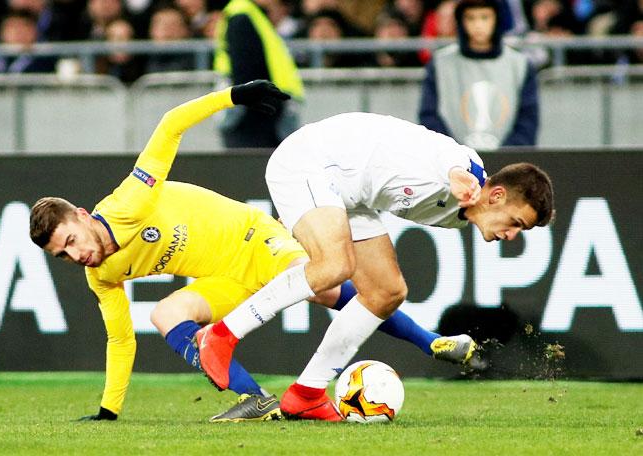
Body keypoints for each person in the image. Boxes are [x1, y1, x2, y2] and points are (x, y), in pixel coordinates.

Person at [29, 80, 478, 423]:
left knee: (325, 285)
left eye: (71, 240)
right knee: (163, 315)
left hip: (254, 240)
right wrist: (109, 411)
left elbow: (170, 125)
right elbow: (119, 339)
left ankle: (431, 340)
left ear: (84, 216)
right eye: (62, 256)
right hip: (226, 281)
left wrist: (235, 95)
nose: (75, 255)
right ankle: (255, 400)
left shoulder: (130, 201)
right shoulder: (101, 275)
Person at [195, 112, 555, 421]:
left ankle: (307, 394)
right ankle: (222, 335)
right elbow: (451, 161)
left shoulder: (463, 215)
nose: (511, 235)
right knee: (333, 265)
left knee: (387, 291)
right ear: (495, 196)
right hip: (311, 162)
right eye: (516, 223)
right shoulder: (462, 174)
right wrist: (457, 174)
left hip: (351, 193)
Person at [419, 0, 539, 150]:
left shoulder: (520, 65)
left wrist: (507, 157)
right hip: (452, 166)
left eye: (485, 17)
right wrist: (454, 157)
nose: (478, 25)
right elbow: (430, 117)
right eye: (471, 18)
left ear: (497, 19)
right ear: (461, 21)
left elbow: (527, 121)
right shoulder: (440, 64)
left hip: (508, 163)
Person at [213, 0, 304, 148]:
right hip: (253, 117)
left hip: (257, 111)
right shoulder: (243, 16)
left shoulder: (251, 14)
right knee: (254, 166)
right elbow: (245, 73)